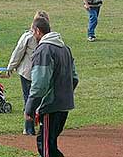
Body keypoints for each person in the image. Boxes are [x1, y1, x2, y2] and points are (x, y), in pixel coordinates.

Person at [25, 17, 78, 157]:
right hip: (64, 104)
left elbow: (39, 85)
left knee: (46, 146)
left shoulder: (44, 50)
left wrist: (30, 108)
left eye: (32, 31)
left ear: (37, 31)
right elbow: (74, 78)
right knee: (50, 144)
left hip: (51, 106)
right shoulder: (65, 48)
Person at [7, 11, 50, 136]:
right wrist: (10, 68)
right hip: (28, 73)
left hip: (38, 73)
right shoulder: (28, 37)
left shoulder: (45, 37)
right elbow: (18, 53)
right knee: (30, 100)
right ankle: (29, 127)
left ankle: (39, 127)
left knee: (35, 100)